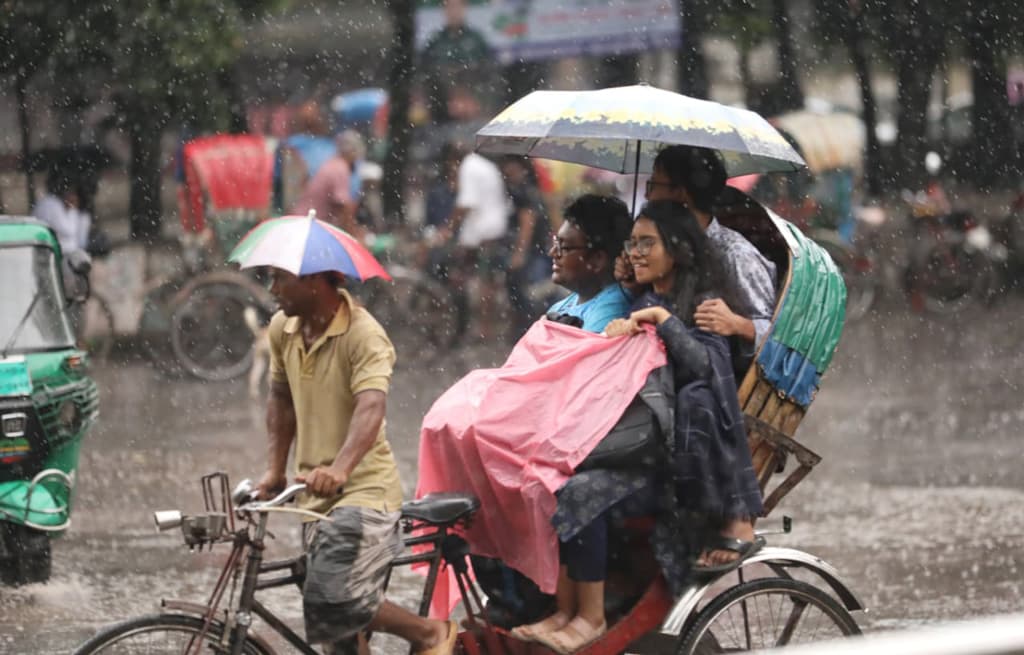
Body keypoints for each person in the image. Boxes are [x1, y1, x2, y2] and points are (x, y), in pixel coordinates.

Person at [515, 201, 764, 652]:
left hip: (675, 462)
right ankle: (564, 611)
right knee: (548, 481)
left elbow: (705, 369)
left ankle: (589, 618)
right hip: (637, 445)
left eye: (647, 243)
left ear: (678, 249)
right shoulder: (645, 297)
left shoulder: (702, 303)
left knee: (580, 492)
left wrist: (663, 323)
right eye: (632, 243)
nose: (636, 252)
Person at [257, 268, 457, 655]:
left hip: (364, 495)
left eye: (281, 279)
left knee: (331, 596)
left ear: (315, 282)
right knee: (340, 639)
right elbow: (280, 399)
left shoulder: (363, 334)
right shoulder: (283, 327)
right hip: (313, 498)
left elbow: (371, 406)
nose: (272, 289)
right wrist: (275, 470)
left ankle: (427, 633)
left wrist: (340, 469)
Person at [624, 145, 778, 363]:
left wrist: (737, 324)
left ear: (680, 194)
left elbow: (778, 337)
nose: (647, 195)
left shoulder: (735, 254)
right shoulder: (662, 244)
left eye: (653, 185)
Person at [545, 194, 633, 333]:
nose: (553, 253)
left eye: (565, 247)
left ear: (598, 259)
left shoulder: (612, 309)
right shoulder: (560, 307)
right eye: (556, 243)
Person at [500, 156, 554, 339]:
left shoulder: (524, 192)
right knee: (526, 291)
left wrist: (519, 252)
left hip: (532, 250)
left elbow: (527, 221)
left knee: (529, 292)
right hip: (534, 249)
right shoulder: (524, 190)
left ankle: (529, 330)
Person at [291, 130, 367, 238]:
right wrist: (353, 236)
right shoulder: (340, 168)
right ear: (351, 153)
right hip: (308, 226)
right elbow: (343, 208)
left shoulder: (332, 164)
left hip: (304, 221)